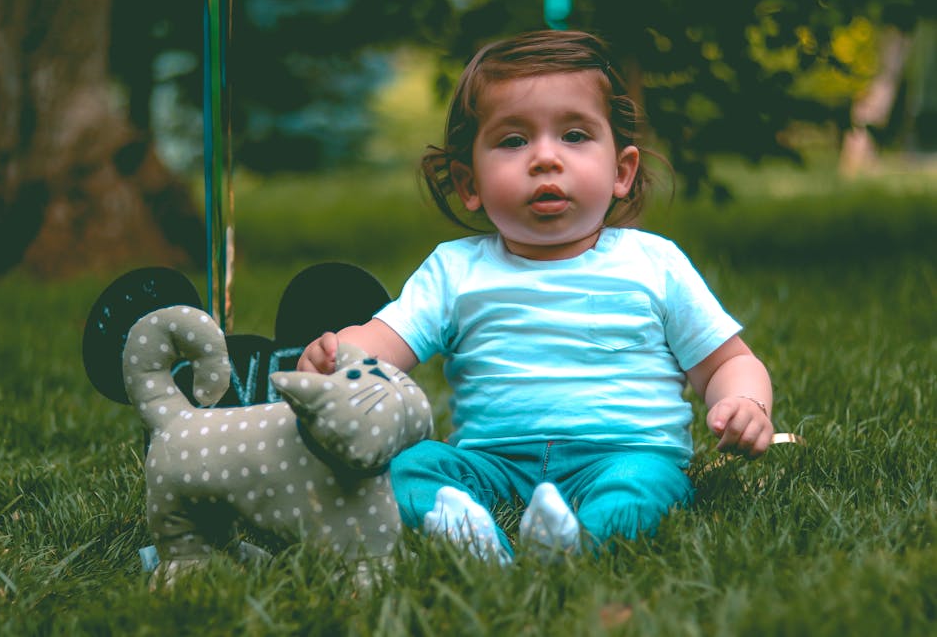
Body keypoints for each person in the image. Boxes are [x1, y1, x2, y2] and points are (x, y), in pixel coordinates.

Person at [297, 29, 774, 561]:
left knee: (642, 488)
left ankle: (578, 544)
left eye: (573, 135)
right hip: (492, 461)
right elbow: (389, 339)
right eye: (513, 141)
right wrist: (344, 356)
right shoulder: (455, 269)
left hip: (623, 454)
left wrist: (744, 402)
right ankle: (468, 532)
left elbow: (727, 361)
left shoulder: (652, 263)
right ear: (468, 183)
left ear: (621, 171)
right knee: (411, 467)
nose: (545, 158)